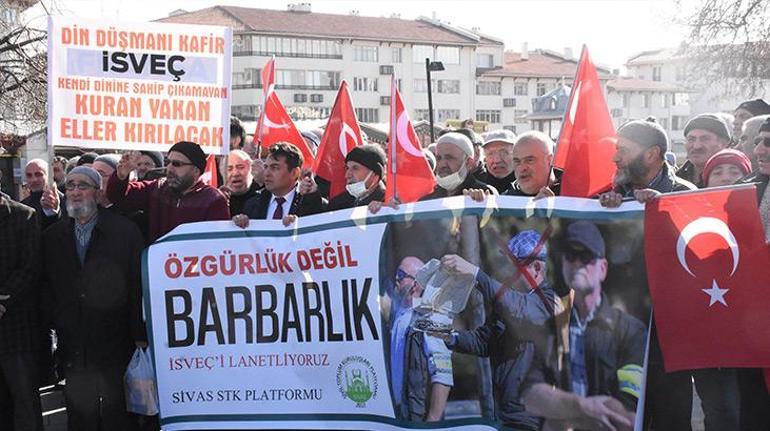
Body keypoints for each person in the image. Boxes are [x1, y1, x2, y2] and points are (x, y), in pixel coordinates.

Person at [42, 166, 145, 431]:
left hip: (115, 338)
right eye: (70, 186)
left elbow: (137, 286)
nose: (75, 192)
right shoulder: (53, 237)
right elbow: (48, 286)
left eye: (83, 185)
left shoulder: (125, 232)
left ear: (98, 192)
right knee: (80, 414)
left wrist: (138, 333)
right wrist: (57, 318)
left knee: (117, 414)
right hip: (74, 341)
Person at [521, 221, 645, 431]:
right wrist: (583, 406)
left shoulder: (630, 331)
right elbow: (531, 396)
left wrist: (561, 411)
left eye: (586, 256)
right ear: (562, 264)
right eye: (570, 255)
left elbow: (628, 415)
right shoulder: (549, 328)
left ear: (603, 268)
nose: (577, 263)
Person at [440, 230, 558, 430]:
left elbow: (518, 307)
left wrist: (476, 274)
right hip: (504, 415)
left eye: (514, 268)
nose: (506, 273)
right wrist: (448, 337)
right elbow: (483, 341)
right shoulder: (511, 302)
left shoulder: (548, 302)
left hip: (532, 420)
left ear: (536, 268)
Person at [107, 141, 230, 242]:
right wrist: (121, 175)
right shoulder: (158, 188)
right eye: (168, 162)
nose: (169, 168)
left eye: (177, 164)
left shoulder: (213, 200)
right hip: (159, 265)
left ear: (196, 171)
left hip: (195, 267)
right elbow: (118, 197)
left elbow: (218, 242)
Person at [735, 117, 770, 430]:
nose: (759, 149)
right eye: (758, 141)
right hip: (753, 324)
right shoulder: (745, 188)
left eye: (768, 142)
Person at [390, 256, 453, 422]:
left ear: (416, 283)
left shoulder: (433, 318)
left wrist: (432, 420)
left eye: (402, 274)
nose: (396, 278)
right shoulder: (397, 312)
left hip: (419, 419)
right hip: (399, 415)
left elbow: (443, 375)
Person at [0, 194, 43, 431]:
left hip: (16, 327)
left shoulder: (23, 216)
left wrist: (3, 300)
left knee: (25, 401)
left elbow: (30, 267)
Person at [599, 118, 696, 208]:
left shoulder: (686, 195)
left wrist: (661, 204)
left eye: (623, 151)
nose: (615, 158)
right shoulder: (607, 194)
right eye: (617, 150)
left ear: (651, 154)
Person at [232, 143, 323, 227]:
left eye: (275, 167)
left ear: (295, 172)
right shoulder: (252, 205)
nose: (267, 173)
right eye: (266, 167)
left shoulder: (310, 202)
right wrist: (238, 225)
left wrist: (298, 227)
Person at [300, 144, 386, 211]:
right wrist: (312, 195)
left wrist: (387, 210)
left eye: (355, 168)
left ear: (375, 173)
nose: (347, 175)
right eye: (347, 168)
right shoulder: (340, 203)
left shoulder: (390, 202)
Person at [421, 132, 496, 200]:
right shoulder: (428, 197)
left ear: (468, 162)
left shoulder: (485, 193)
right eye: (438, 158)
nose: (442, 164)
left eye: (449, 158)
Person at [676, 114, 732, 188]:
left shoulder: (732, 179)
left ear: (723, 144)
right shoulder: (674, 180)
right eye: (691, 139)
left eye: (705, 139)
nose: (697, 146)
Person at [504, 131, 562, 198]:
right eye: (517, 161)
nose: (522, 168)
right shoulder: (503, 202)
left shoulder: (572, 196)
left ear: (550, 160)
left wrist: (554, 207)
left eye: (529, 160)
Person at [21, 159, 64, 230]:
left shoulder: (65, 201)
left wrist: (53, 213)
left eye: (38, 174)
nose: (34, 179)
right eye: (29, 175)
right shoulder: (23, 206)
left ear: (48, 175)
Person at [223, 150, 260, 216]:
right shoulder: (219, 200)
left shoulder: (263, 196)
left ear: (251, 169)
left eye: (240, 167)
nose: (235, 173)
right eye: (229, 169)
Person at [479, 129, 517, 194]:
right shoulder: (475, 184)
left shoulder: (528, 184)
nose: (497, 160)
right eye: (490, 153)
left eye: (504, 152)